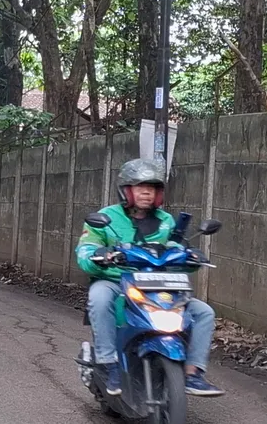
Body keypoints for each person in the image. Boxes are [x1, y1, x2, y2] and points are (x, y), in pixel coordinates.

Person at [74, 158, 224, 397]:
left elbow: (174, 252)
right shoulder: (106, 217)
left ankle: (192, 373)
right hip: (116, 282)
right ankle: (108, 362)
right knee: (99, 297)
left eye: (152, 187)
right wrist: (99, 254)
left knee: (203, 312)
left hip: (156, 284)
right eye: (140, 186)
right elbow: (85, 250)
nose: (147, 192)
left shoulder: (165, 221)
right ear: (126, 190)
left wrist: (190, 257)